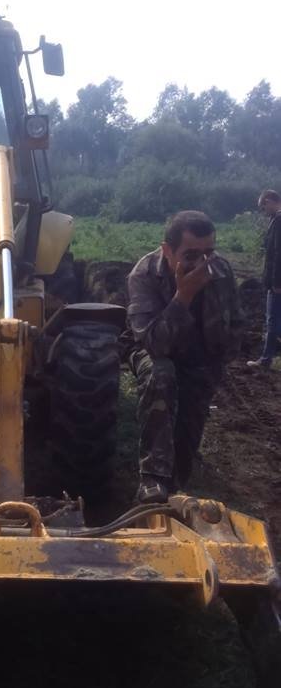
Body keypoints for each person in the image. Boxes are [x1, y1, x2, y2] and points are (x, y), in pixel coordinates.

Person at [126, 211, 243, 504]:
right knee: (161, 374)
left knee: (188, 432)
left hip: (200, 356)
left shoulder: (221, 270)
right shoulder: (144, 275)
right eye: (190, 255)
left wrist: (217, 364)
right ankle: (152, 478)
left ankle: (174, 487)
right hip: (152, 350)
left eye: (208, 253)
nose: (202, 264)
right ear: (167, 250)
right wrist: (184, 296)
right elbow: (155, 343)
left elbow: (235, 323)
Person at [247, 189, 281, 369]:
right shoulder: (276, 220)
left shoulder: (279, 221)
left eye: (263, 207)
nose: (263, 211)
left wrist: (276, 282)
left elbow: (278, 254)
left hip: (277, 283)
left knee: (272, 320)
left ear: (269, 201)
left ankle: (266, 359)